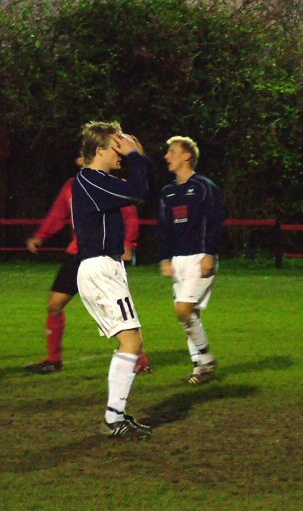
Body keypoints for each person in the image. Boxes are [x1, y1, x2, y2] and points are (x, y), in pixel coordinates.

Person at [25, 154, 151, 375]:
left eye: (83, 155)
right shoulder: (72, 186)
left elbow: (129, 215)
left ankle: (140, 359)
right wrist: (41, 235)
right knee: (55, 305)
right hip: (77, 254)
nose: (77, 159)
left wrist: (129, 243)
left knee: (118, 311)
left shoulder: (108, 185)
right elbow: (58, 214)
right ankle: (54, 360)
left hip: (102, 255)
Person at [72, 121, 153, 439]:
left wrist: (138, 156)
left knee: (133, 342)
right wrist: (134, 157)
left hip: (108, 268)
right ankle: (112, 418)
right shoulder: (90, 180)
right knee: (131, 342)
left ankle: (115, 416)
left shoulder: (100, 180)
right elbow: (137, 191)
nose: (120, 151)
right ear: (100, 150)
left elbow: (143, 188)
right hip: (99, 270)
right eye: (116, 145)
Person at [156, 136, 224, 384]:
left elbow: (215, 222)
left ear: (187, 156)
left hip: (199, 258)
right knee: (191, 314)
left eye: (172, 152)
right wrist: (164, 258)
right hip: (178, 260)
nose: (167, 156)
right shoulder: (168, 191)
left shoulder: (205, 187)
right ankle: (200, 368)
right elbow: (163, 227)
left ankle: (206, 358)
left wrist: (209, 253)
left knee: (183, 310)